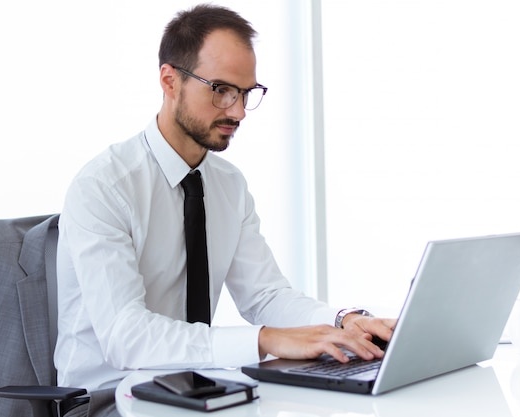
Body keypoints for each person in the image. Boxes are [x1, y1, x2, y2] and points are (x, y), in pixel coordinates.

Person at [55, 4, 396, 416]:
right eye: (220, 89)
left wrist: (342, 322)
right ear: (170, 81)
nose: (236, 111)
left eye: (246, 93)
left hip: (197, 387)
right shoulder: (104, 186)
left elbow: (265, 295)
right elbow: (125, 336)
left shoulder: (228, 184)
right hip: (106, 400)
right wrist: (265, 340)